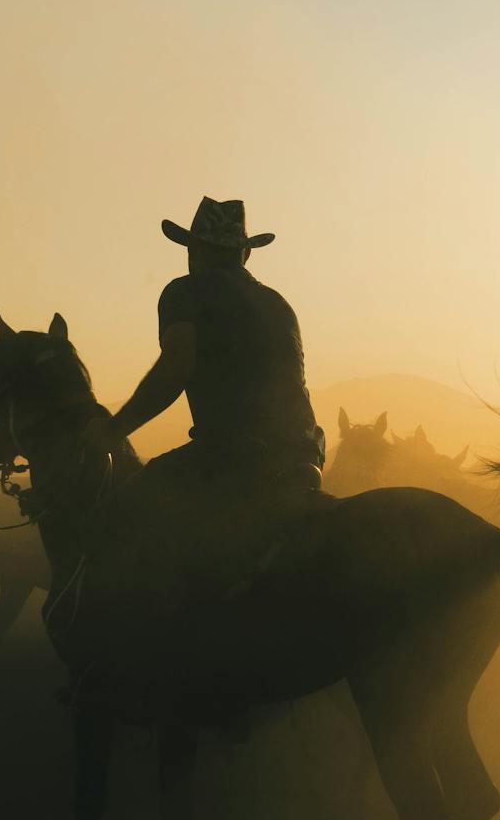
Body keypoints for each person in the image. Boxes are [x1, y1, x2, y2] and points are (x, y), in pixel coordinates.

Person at [83, 197, 326, 605]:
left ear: (193, 250)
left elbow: (176, 368)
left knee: (125, 513)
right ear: (245, 254)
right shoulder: (278, 304)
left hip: (235, 457)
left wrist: (113, 430)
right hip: (305, 456)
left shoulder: (184, 292)